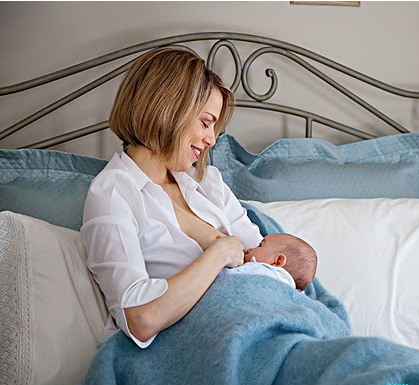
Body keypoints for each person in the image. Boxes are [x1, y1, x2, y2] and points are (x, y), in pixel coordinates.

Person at [81, 48, 263, 349]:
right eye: (205, 123)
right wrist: (219, 253)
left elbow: (267, 262)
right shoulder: (113, 193)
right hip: (196, 346)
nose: (212, 139)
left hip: (253, 325)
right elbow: (140, 318)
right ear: (167, 109)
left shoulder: (208, 182)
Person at [219, 233, 317, 292]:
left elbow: (225, 276)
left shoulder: (262, 271)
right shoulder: (292, 291)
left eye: (260, 245)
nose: (249, 250)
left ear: (277, 261)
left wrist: (222, 249)